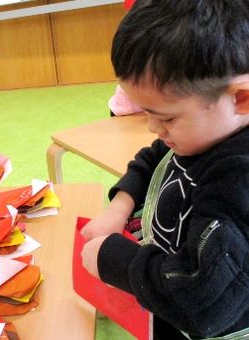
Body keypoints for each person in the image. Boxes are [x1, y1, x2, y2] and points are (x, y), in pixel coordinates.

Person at [80, 1, 249, 339]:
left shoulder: (238, 179)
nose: (154, 129)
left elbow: (202, 297)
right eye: (147, 113)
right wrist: (120, 206)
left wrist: (112, 259)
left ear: (241, 98)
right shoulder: (197, 136)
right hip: (164, 296)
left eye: (167, 117)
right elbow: (151, 159)